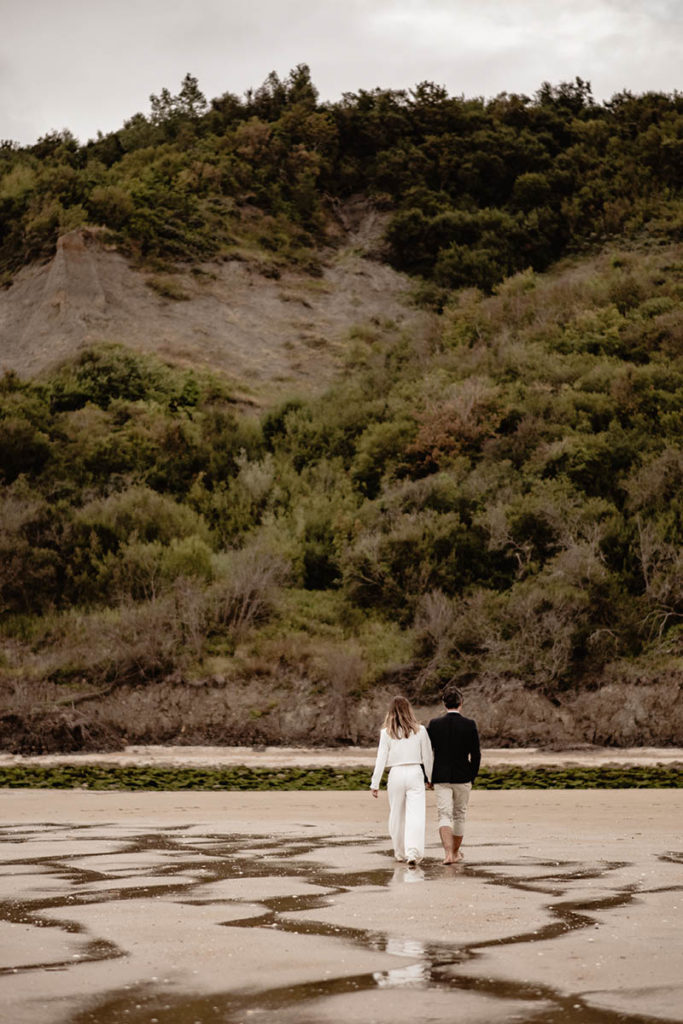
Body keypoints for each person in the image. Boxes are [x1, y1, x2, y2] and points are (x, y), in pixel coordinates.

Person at [370, 695, 434, 866]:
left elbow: (381, 759)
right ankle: (412, 852)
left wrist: (375, 783)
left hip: (396, 774)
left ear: (391, 712)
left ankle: (399, 852)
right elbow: (428, 757)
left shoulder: (386, 733)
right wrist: (430, 777)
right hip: (415, 772)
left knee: (396, 814)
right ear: (409, 710)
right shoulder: (420, 730)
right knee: (416, 815)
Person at [427, 684, 480, 864]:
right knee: (459, 815)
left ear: (444, 703)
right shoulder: (469, 725)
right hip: (462, 776)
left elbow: (427, 753)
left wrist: (428, 776)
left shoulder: (434, 725)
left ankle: (448, 853)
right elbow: (476, 754)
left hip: (441, 776)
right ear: (461, 703)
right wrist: (472, 776)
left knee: (444, 815)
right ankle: (455, 853)